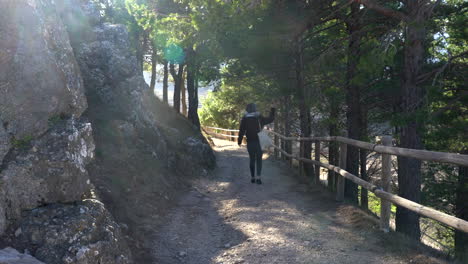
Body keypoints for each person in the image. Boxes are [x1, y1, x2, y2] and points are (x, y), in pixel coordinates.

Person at [238, 103, 276, 184]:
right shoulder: (259, 117)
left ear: (247, 109)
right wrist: (272, 109)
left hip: (250, 142)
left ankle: (252, 177)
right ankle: (258, 178)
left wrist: (239, 141)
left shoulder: (244, 118)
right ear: (255, 109)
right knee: (259, 159)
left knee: (252, 159)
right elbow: (271, 119)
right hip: (259, 141)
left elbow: (241, 131)